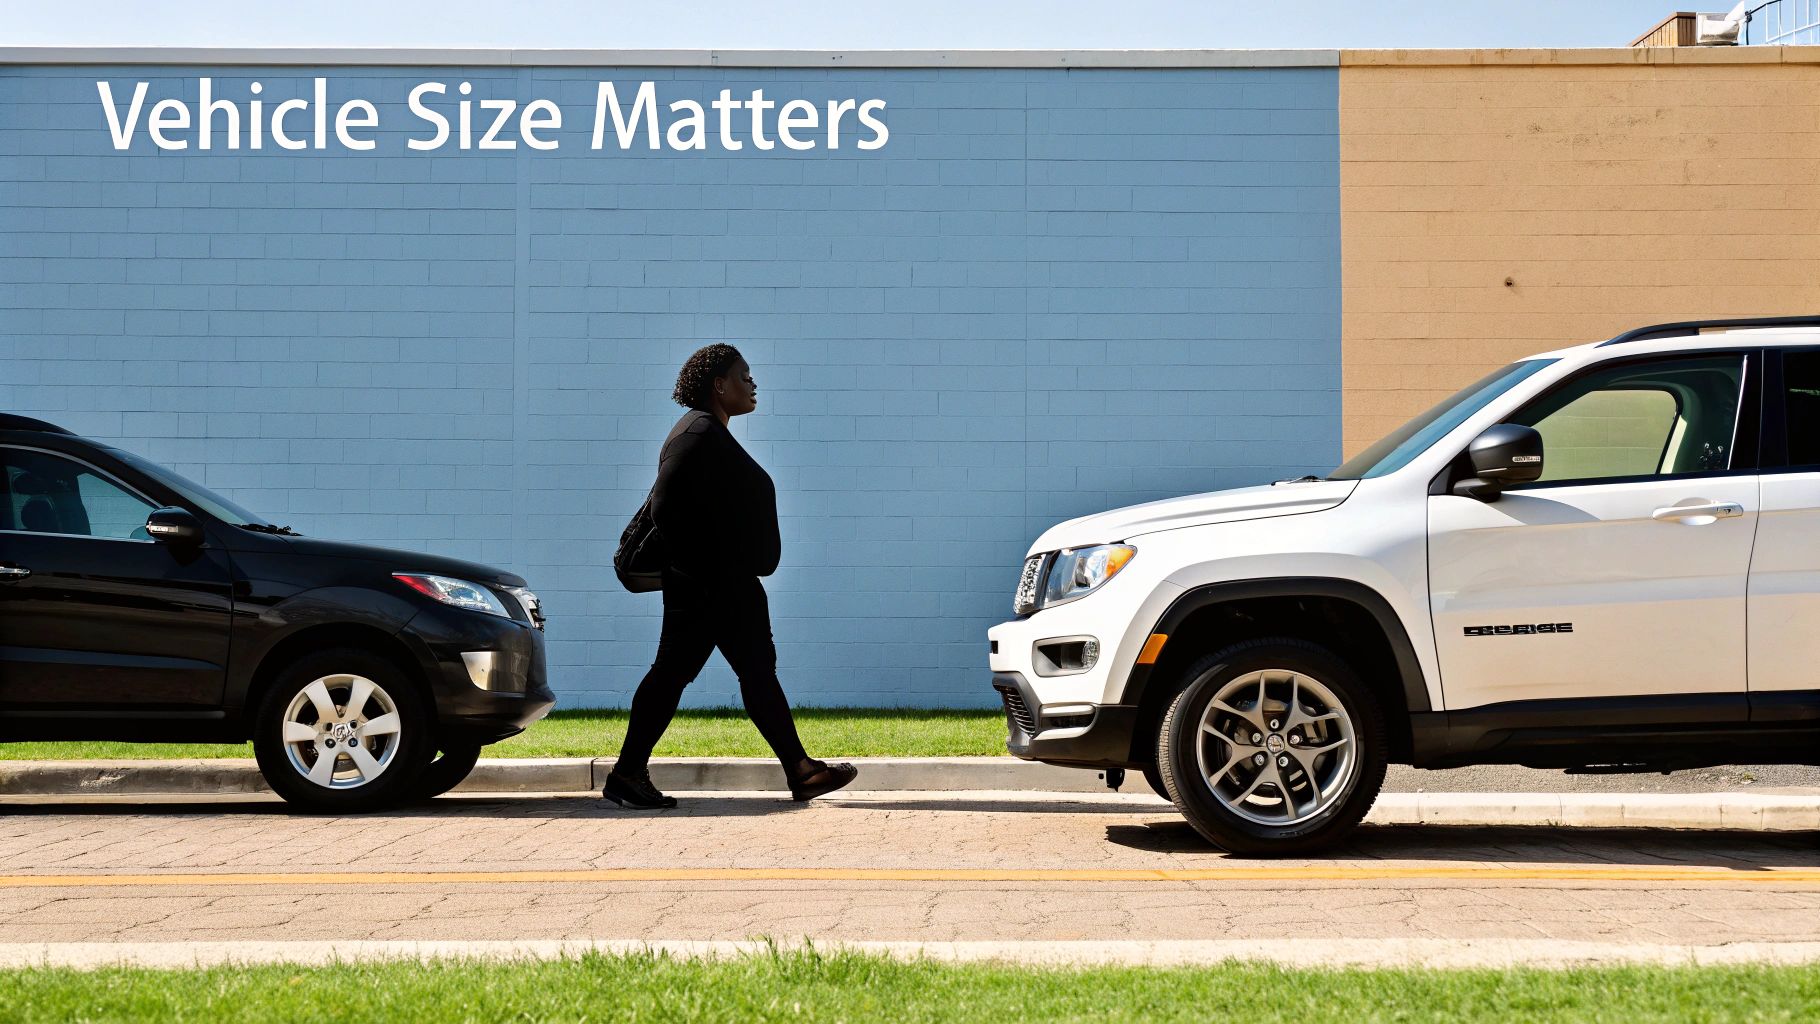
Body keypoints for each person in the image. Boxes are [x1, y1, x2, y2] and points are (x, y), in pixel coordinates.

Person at [603, 343, 859, 809]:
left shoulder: (708, 434)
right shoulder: (695, 433)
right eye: (744, 376)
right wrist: (702, 572)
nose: (753, 383)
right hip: (707, 588)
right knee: (676, 675)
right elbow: (666, 508)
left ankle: (801, 771)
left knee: (751, 673)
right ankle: (627, 773)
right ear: (719, 385)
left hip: (722, 586)